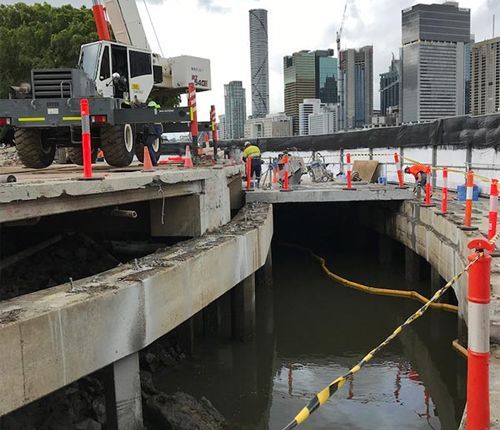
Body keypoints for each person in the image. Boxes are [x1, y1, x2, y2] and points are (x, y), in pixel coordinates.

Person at [142, 100, 163, 166]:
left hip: (154, 131)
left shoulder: (153, 113)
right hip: (155, 131)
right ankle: (152, 161)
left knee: (148, 144)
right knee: (147, 144)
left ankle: (154, 162)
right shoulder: (156, 111)